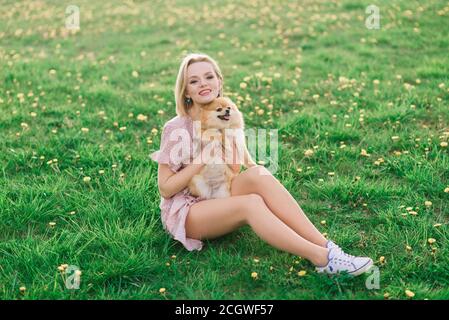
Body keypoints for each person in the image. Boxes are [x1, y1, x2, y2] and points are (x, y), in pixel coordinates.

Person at [150, 52, 373, 276]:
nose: (203, 84)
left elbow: (235, 169)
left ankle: (327, 247)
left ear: (219, 81)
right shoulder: (176, 127)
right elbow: (166, 189)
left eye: (209, 77)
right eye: (194, 81)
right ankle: (323, 260)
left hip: (216, 193)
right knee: (251, 203)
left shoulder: (225, 113)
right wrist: (201, 160)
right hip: (188, 211)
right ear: (186, 90)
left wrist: (229, 135)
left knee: (259, 173)